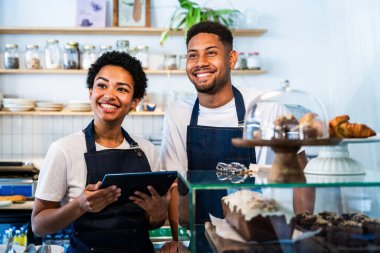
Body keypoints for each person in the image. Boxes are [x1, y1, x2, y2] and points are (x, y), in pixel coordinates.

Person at [160, 21, 314, 246]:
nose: (200, 63)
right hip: (200, 235)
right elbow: (175, 186)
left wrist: (302, 232)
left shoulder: (267, 108)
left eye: (210, 53)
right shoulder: (177, 113)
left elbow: (302, 172)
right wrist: (179, 239)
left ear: (231, 59)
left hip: (260, 236)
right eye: (192, 55)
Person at [32, 51, 172, 253]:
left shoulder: (147, 151)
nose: (109, 95)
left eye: (122, 89)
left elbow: (151, 222)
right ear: (91, 92)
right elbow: (39, 225)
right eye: (102, 85)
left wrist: (159, 214)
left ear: (134, 101)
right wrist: (79, 205)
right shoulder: (63, 150)